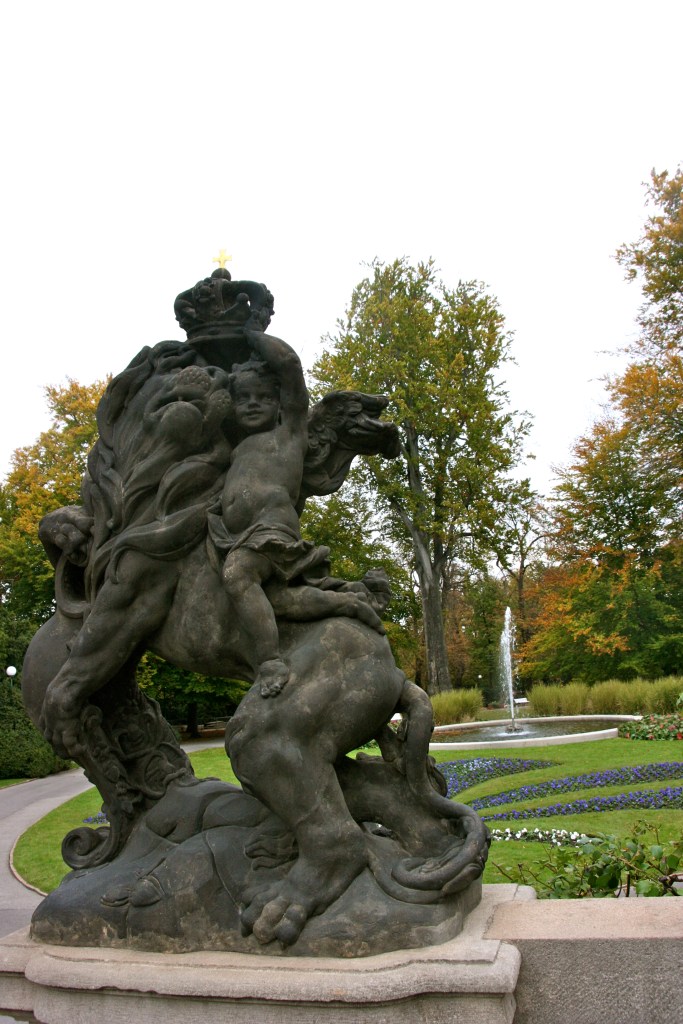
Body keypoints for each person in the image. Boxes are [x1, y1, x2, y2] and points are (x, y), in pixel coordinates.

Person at [215, 327, 383, 698]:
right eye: (244, 398)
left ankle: (270, 662)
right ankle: (350, 602)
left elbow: (290, 366)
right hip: (232, 536)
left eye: (262, 397)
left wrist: (247, 333)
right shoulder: (237, 447)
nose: (252, 404)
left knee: (238, 575)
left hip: (271, 531)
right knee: (280, 603)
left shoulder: (291, 433)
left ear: (279, 404)